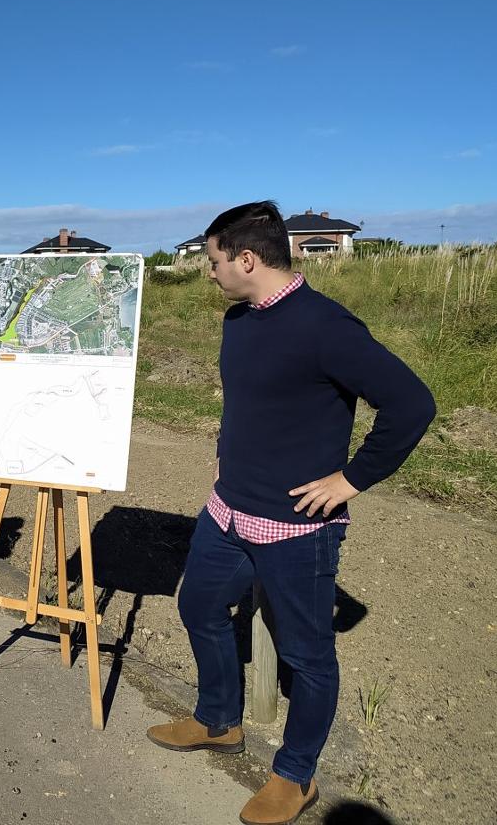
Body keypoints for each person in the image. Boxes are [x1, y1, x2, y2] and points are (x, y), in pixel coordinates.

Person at [145, 202, 435, 824]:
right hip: (228, 513)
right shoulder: (237, 321)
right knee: (198, 605)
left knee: (307, 656)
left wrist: (351, 479)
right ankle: (218, 720)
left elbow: (412, 404)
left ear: (247, 259)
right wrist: (225, 453)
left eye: (214, 261)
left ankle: (294, 775)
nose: (209, 272)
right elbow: (245, 402)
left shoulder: (326, 327)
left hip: (296, 529)